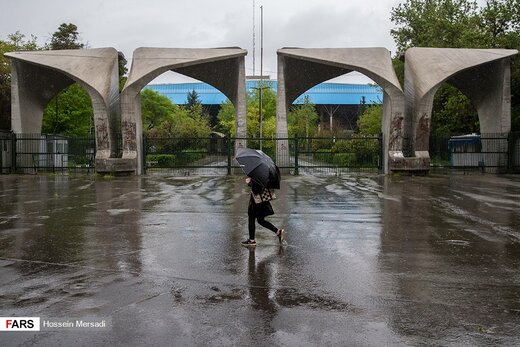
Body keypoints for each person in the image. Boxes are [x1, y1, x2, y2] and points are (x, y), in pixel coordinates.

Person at [241, 177, 284, 247]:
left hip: (257, 201)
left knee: (251, 217)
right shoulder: (265, 174)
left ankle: (252, 241)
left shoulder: (257, 175)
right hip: (263, 200)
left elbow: (256, 189)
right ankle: (278, 231)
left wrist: (250, 183)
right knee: (260, 220)